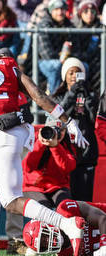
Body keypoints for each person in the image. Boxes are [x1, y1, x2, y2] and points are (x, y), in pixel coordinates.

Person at [0, 30, 88, 256]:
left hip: (3, 134)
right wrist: (67, 120)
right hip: (23, 130)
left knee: (10, 201)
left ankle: (69, 226)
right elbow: (38, 94)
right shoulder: (7, 63)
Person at [52, 57, 99, 202]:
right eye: (71, 73)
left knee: (84, 199)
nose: (74, 77)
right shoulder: (57, 97)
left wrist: (86, 95)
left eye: (78, 73)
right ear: (64, 76)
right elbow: (59, 114)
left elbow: (94, 120)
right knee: (66, 200)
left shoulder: (90, 95)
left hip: (85, 155)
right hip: (65, 155)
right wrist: (72, 93)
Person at [23, 199, 106, 256]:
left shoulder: (65, 209)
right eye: (44, 245)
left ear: (47, 225)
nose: (49, 242)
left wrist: (104, 246)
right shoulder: (64, 253)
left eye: (45, 237)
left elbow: (102, 218)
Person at [23, 117, 76, 208]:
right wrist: (40, 143)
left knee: (66, 207)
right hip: (33, 186)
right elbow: (27, 167)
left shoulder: (67, 143)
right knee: (43, 208)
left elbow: (67, 167)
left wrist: (55, 146)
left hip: (58, 186)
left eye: (61, 130)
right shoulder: (35, 137)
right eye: (53, 130)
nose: (57, 133)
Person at [37, 0, 80, 94]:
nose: (60, 12)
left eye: (62, 9)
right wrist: (63, 60)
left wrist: (68, 59)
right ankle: (54, 99)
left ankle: (77, 99)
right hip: (44, 61)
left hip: (65, 59)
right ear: (51, 11)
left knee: (83, 66)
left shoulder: (70, 26)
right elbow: (46, 53)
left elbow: (77, 49)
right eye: (56, 9)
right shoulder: (44, 25)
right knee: (56, 66)